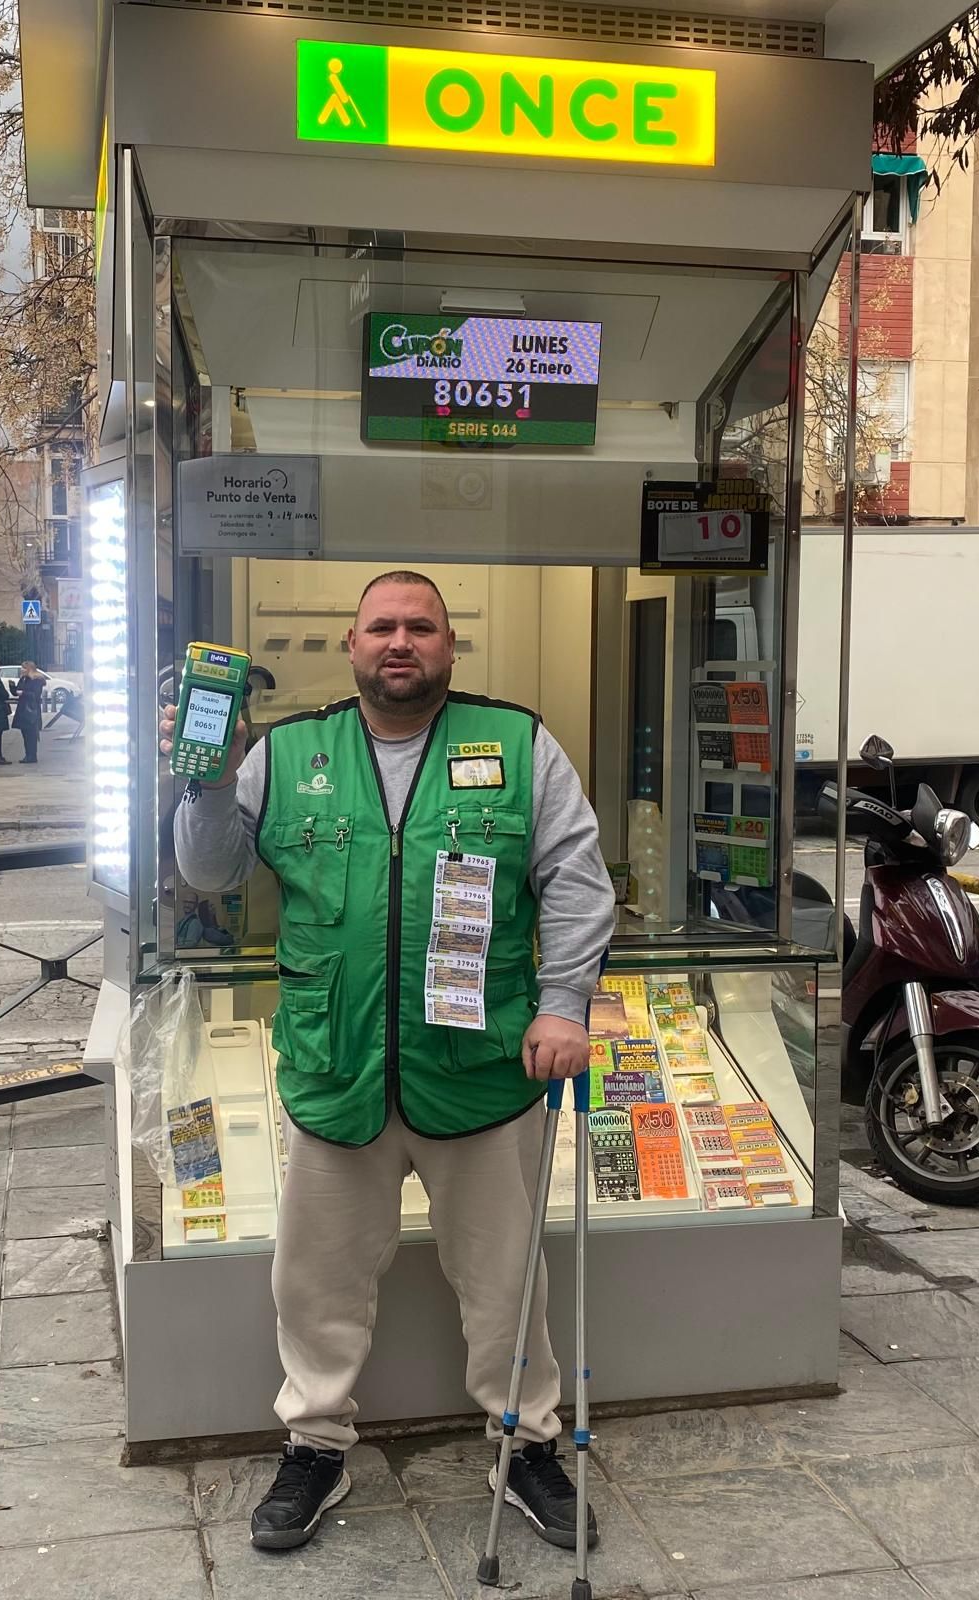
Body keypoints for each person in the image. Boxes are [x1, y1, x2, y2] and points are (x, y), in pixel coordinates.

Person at [166, 570, 613, 1555]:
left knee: (507, 1285)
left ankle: (525, 1441)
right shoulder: (283, 751)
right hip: (337, 1069)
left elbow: (577, 880)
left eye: (420, 626)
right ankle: (316, 1444)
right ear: (351, 645)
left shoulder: (517, 743)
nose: (399, 641)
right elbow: (208, 871)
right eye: (381, 627)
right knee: (312, 1284)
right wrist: (202, 780)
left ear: (451, 647)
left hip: (484, 1073)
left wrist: (563, 1004)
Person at [13, 660, 48, 764]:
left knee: (31, 734)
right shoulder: (23, 679)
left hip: (31, 709)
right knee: (25, 733)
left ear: (29, 669)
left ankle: (32, 755)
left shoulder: (36, 680)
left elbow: (35, 695)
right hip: (23, 708)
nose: (21, 670)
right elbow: (18, 690)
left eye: (23, 668)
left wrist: (23, 693)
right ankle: (28, 755)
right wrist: (13, 689)